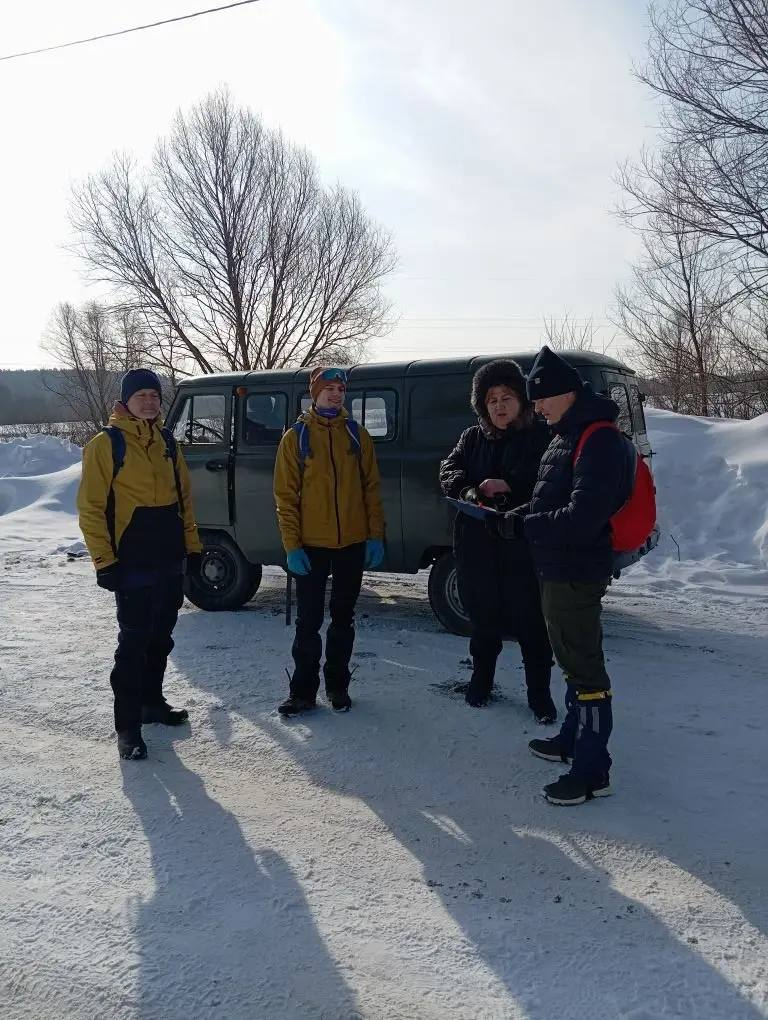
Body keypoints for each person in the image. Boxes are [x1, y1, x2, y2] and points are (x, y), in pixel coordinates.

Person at [494, 346, 633, 806]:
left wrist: (526, 527)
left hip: (576, 570)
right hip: (556, 567)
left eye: (541, 398)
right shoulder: (566, 435)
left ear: (566, 393)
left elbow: (582, 517)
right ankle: (572, 741)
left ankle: (592, 772)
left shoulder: (598, 440)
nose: (536, 408)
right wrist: (518, 514)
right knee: (572, 660)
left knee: (585, 669)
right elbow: (552, 500)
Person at [77, 369, 202, 761]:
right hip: (131, 563)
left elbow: (184, 501)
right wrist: (103, 561)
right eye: (141, 395)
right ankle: (128, 727)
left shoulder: (167, 442)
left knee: (161, 638)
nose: (149, 402)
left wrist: (192, 548)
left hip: (169, 559)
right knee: (133, 644)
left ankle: (151, 703)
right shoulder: (106, 444)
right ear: (126, 401)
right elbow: (91, 508)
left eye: (154, 395)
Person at [439, 360, 556, 721]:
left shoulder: (541, 437)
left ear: (521, 400)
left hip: (523, 547)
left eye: (507, 398)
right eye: (492, 400)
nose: (500, 406)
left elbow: (550, 485)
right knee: (482, 618)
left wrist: (511, 487)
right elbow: (449, 469)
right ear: (482, 406)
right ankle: (481, 681)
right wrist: (469, 490)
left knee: (531, 624)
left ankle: (539, 695)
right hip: (476, 546)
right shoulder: (472, 437)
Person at [273, 367, 385, 716]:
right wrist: (292, 546)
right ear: (315, 393)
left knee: (343, 619)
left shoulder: (357, 435)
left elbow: (371, 490)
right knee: (308, 622)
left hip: (352, 543)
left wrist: (375, 536)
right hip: (311, 546)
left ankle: (338, 687)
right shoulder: (296, 437)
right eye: (329, 388)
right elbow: (285, 497)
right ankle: (302, 693)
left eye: (340, 389)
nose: (336, 394)